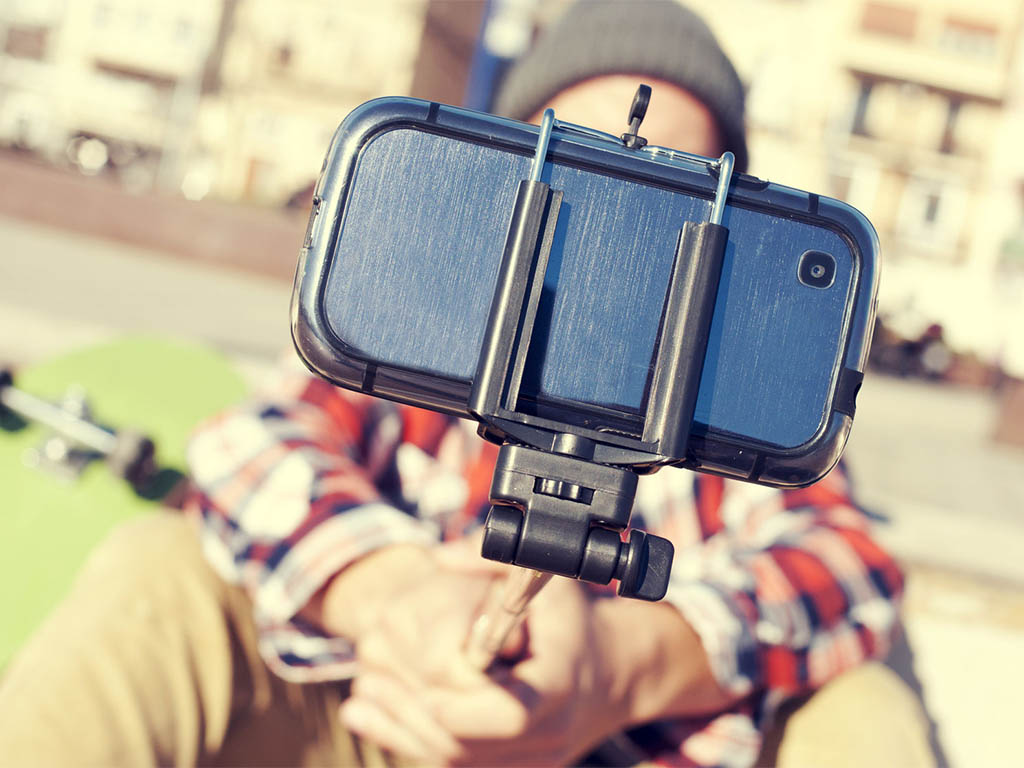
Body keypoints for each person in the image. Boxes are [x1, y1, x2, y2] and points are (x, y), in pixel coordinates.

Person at [0, 2, 934, 767]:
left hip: (625, 744)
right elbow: (248, 448)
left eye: (669, 187)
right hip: (380, 714)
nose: (618, 220)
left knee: (860, 702)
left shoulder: (734, 399)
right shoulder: (422, 321)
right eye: (581, 166)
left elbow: (847, 561)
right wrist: (386, 593)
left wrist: (629, 664)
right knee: (164, 571)